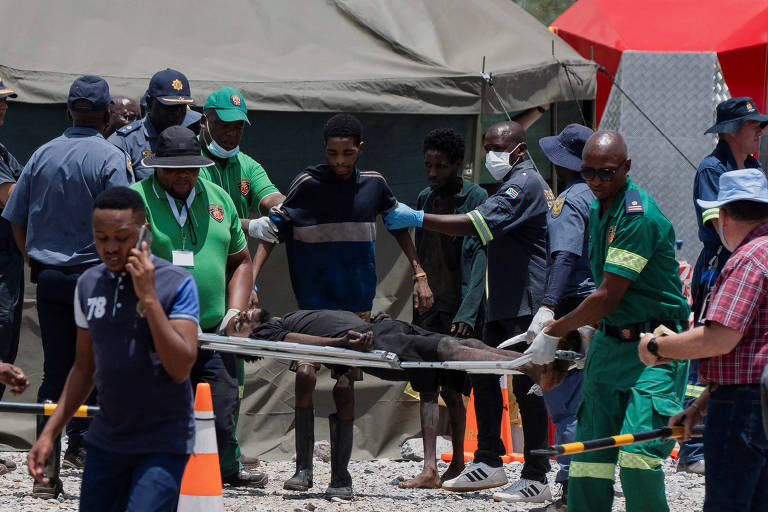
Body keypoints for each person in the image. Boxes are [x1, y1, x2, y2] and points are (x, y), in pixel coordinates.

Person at [248, 113, 434, 499]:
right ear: (324, 150)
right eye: (333, 153)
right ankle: (302, 469)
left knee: (346, 380)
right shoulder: (307, 185)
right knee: (303, 373)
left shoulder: (374, 186)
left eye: (347, 153)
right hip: (313, 304)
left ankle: (341, 476)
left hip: (356, 305)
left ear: (359, 150)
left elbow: (398, 224)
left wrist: (418, 272)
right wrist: (249, 281)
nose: (339, 161)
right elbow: (274, 230)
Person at [384, 120, 554, 500]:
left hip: (526, 301)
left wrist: (418, 219)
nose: (491, 154)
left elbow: (476, 225)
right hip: (504, 300)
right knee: (483, 374)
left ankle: (537, 474)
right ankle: (489, 461)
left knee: (527, 385)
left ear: (520, 149)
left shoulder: (523, 183)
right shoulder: (512, 182)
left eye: (499, 147)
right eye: (487, 146)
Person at [526, 131, 689, 512]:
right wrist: (579, 339)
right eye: (588, 173)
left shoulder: (637, 215)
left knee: (637, 455)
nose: (596, 181)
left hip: (656, 347)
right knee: (587, 463)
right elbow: (605, 298)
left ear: (626, 168)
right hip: (610, 343)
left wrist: (554, 328)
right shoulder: (601, 208)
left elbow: (608, 294)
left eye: (606, 172)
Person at [27, 187, 199, 511]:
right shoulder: (88, 284)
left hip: (163, 441)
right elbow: (83, 367)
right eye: (101, 238)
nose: (110, 248)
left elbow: (180, 367)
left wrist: (148, 297)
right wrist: (51, 432)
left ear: (144, 231)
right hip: (107, 441)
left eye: (121, 237)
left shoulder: (176, 283)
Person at [2, 75, 133, 498]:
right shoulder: (110, 157)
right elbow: (122, 221)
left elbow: (15, 217)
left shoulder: (41, 153)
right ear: (107, 112)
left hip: (50, 279)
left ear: (68, 110)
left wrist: (33, 258)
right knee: (101, 366)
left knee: (57, 370)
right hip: (95, 277)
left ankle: (46, 474)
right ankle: (91, 456)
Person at [130, 125, 264, 487]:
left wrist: (234, 314)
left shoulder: (219, 199)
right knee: (161, 414)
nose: (183, 176)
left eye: (191, 168)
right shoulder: (134, 200)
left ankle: (223, 471)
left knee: (221, 416)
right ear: (155, 165)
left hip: (213, 332)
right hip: (158, 333)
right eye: (173, 169)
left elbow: (241, 262)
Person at [637, 168, 768, 511]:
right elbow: (750, 352)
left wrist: (656, 346)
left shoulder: (750, 258)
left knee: (729, 504)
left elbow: (720, 338)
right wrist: (698, 407)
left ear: (722, 215)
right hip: (754, 401)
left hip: (744, 410)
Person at [498, 123, 596, 508]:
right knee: (589, 402)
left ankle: (570, 491)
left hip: (572, 306)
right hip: (602, 306)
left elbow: (564, 256)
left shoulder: (569, 200)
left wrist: (549, 306)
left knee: (564, 398)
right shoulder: (607, 199)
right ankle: (588, 489)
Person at [197, 86, 285, 475]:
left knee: (229, 375)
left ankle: (227, 453)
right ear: (205, 121)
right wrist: (252, 223)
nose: (231, 134)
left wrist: (279, 206)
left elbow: (272, 204)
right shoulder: (189, 164)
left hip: (233, 283)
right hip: (193, 287)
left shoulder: (246, 166)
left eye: (239, 128)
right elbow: (230, 223)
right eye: (224, 125)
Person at [680, 97, 768, 475]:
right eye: (753, 126)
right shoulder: (711, 169)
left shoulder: (752, 166)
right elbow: (723, 228)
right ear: (732, 131)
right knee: (707, 348)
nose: (760, 132)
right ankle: (695, 446)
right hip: (720, 267)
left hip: (747, 263)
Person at [401, 127, 487, 489]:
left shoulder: (476, 197)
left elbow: (480, 257)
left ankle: (459, 462)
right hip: (429, 306)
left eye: (440, 166)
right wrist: (419, 280)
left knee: (455, 386)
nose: (433, 173)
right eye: (428, 165)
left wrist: (468, 312)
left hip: (459, 309)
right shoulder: (424, 198)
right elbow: (419, 248)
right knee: (426, 384)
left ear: (457, 164)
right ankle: (429, 466)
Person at [109, 69, 194, 180]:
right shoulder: (124, 142)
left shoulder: (190, 139)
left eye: (181, 107)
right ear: (149, 103)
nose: (177, 114)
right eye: (170, 107)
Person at [0, 77, 24, 402]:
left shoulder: (2, 150)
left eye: (5, 99)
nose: (3, 105)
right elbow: (11, 197)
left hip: (9, 267)